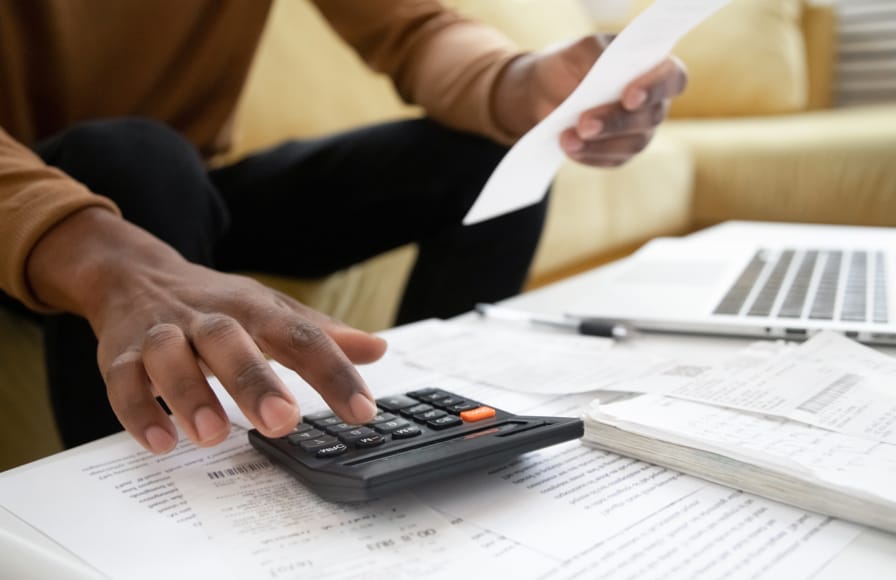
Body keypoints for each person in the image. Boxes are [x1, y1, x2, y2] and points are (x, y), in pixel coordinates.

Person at [0, 0, 686, 455]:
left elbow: (413, 29)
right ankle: (127, 507)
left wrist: (522, 83)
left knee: (480, 155)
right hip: (28, 228)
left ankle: (431, 428)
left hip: (186, 196)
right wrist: (97, 250)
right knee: (131, 157)